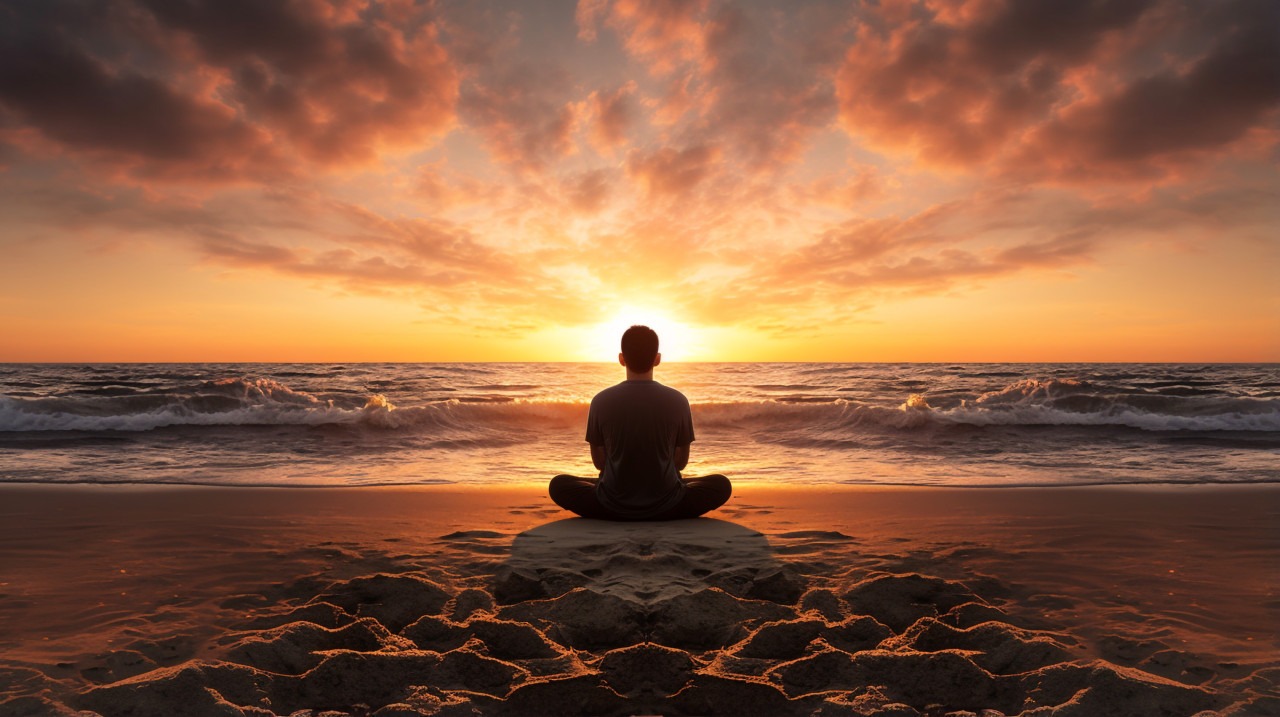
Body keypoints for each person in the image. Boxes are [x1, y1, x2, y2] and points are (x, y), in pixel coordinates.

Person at [549, 325, 732, 520]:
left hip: (611, 506)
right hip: (668, 506)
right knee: (721, 485)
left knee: (558, 485)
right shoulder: (678, 400)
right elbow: (681, 462)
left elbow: (599, 463)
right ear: (657, 359)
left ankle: (615, 492)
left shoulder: (600, 401)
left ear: (621, 359)